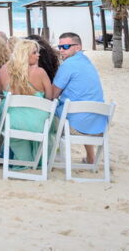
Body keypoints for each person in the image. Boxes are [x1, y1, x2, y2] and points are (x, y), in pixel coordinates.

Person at [52, 32, 108, 164]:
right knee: (82, 111)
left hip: (77, 128)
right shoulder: (88, 63)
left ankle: (52, 156)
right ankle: (91, 157)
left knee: (46, 115)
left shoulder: (68, 64)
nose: (61, 50)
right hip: (99, 127)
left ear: (77, 47)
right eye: (59, 47)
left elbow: (52, 95)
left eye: (66, 46)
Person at [0, 38, 53, 165]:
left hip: (12, 121)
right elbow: (49, 98)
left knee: (7, 116)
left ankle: (23, 160)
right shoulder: (40, 72)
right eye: (34, 52)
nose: (38, 55)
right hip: (38, 123)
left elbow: (0, 92)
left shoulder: (4, 71)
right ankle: (34, 161)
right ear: (24, 54)